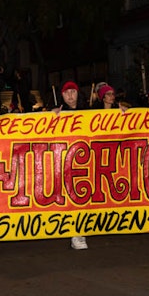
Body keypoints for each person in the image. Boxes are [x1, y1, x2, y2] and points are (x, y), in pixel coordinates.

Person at [56, 81, 90, 249]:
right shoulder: (58, 113)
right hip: (65, 163)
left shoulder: (90, 112)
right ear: (61, 96)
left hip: (87, 161)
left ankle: (80, 232)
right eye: (66, 92)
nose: (70, 95)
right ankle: (76, 233)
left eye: (73, 92)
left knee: (83, 198)